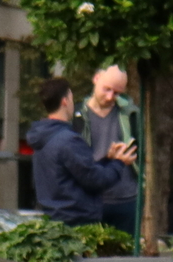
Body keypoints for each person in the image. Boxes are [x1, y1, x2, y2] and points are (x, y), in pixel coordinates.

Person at [25, 77, 137, 228]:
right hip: (76, 221)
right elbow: (95, 180)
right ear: (65, 101)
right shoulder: (68, 140)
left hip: (54, 217)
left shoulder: (42, 137)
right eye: (71, 97)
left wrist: (108, 160)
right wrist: (119, 163)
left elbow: (80, 171)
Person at [79, 65, 143, 235]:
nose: (110, 97)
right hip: (90, 198)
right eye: (107, 89)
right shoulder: (77, 116)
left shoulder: (131, 114)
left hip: (127, 199)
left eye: (116, 93)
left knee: (125, 258)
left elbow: (142, 152)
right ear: (96, 78)